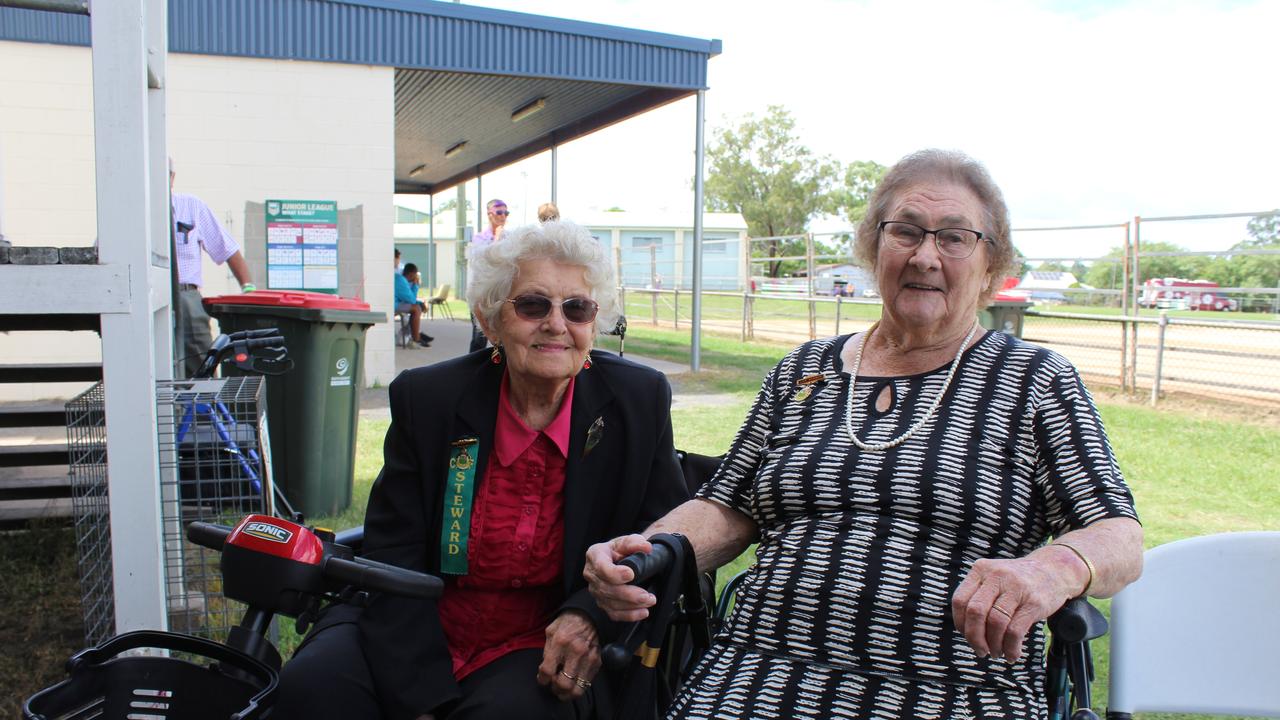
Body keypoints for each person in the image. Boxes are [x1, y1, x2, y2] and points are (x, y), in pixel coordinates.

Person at [585, 149, 1144, 719]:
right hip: (760, 670)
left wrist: (1053, 570)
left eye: (953, 238)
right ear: (874, 246)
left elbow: (1118, 533)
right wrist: (644, 549)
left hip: (953, 688)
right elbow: (726, 504)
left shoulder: (1033, 379)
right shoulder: (806, 370)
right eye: (905, 231)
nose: (925, 256)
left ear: (989, 264)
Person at [275, 220, 689, 720]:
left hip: (543, 634)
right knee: (314, 688)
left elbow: (660, 541)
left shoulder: (636, 401)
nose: (557, 324)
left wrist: (589, 614)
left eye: (576, 308)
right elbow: (394, 551)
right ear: (490, 321)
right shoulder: (429, 398)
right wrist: (419, 694)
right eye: (533, 305)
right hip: (415, 615)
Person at [170, 158, 255, 378]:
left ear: (172, 177)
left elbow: (227, 248)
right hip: (147, 295)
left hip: (185, 295)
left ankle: (201, 412)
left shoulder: (190, 206)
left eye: (165, 174)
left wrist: (248, 288)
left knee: (199, 364)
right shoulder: (131, 210)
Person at [468, 199, 509, 353]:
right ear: (489, 214)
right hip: (481, 293)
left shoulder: (510, 237)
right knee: (480, 337)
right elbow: (483, 262)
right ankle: (472, 370)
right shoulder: (479, 238)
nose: (503, 216)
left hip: (500, 294)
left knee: (503, 337)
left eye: (506, 213)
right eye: (499, 212)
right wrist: (497, 240)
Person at [396, 262, 432, 348]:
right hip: (394, 305)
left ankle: (411, 335)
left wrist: (419, 303)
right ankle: (416, 339)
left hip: (397, 303)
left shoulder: (401, 279)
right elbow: (412, 300)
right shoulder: (401, 280)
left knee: (417, 307)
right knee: (416, 309)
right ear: (411, 274)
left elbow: (408, 298)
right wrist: (415, 285)